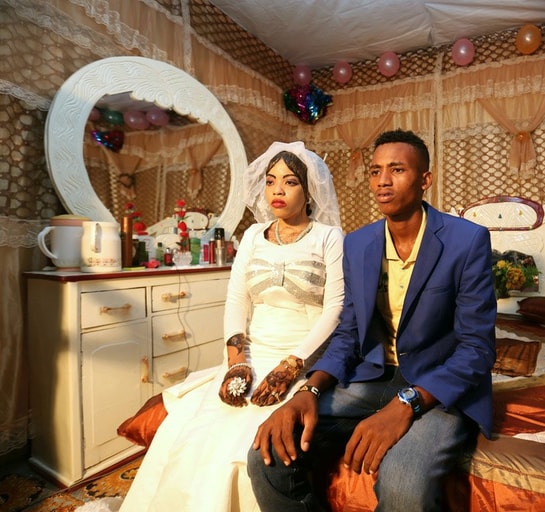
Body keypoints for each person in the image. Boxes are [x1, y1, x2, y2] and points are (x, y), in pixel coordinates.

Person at [248, 129, 497, 511]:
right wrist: (308, 391)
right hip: (374, 376)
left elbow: (476, 349)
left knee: (402, 486)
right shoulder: (358, 243)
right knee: (266, 456)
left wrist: (406, 404)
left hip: (438, 384)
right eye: (376, 171)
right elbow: (348, 332)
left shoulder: (467, 240)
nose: (383, 180)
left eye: (397, 170)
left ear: (425, 180)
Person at [120, 141, 344, 512]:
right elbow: (236, 300)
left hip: (301, 354)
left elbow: (335, 308)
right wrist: (236, 362)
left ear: (308, 192)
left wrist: (291, 366)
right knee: (193, 433)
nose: (277, 190)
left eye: (289, 182)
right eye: (270, 181)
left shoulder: (329, 237)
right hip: (252, 352)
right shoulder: (254, 235)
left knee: (248, 443)